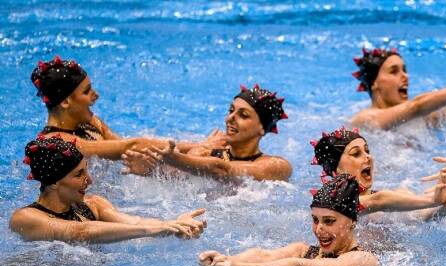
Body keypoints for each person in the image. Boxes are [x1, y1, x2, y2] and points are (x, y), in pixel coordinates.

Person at [9, 137, 206, 243]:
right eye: (79, 175)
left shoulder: (94, 205)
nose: (90, 179)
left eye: (86, 170)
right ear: (53, 182)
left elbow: (136, 223)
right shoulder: (25, 218)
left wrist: (173, 226)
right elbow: (78, 231)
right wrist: (153, 229)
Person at [198, 174, 381, 266]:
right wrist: (226, 261)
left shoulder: (363, 261)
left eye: (329, 221)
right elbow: (264, 256)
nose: (319, 229)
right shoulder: (303, 250)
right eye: (315, 220)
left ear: (352, 221)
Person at [310, 127, 446, 224]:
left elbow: (422, 214)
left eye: (367, 150)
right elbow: (378, 201)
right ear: (335, 172)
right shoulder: (332, 204)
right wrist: (433, 200)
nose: (368, 157)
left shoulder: (397, 196)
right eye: (356, 153)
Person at [29, 56, 182, 162]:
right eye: (86, 91)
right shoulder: (56, 143)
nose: (96, 95)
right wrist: (197, 147)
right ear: (66, 102)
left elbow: (125, 146)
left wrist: (192, 150)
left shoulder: (91, 122)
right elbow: (131, 145)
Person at [129, 84, 292, 181]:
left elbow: (223, 169)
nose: (230, 119)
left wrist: (174, 158)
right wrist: (148, 170)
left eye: (243, 115)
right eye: (231, 111)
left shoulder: (276, 166)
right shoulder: (204, 154)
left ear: (262, 128)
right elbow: (174, 179)